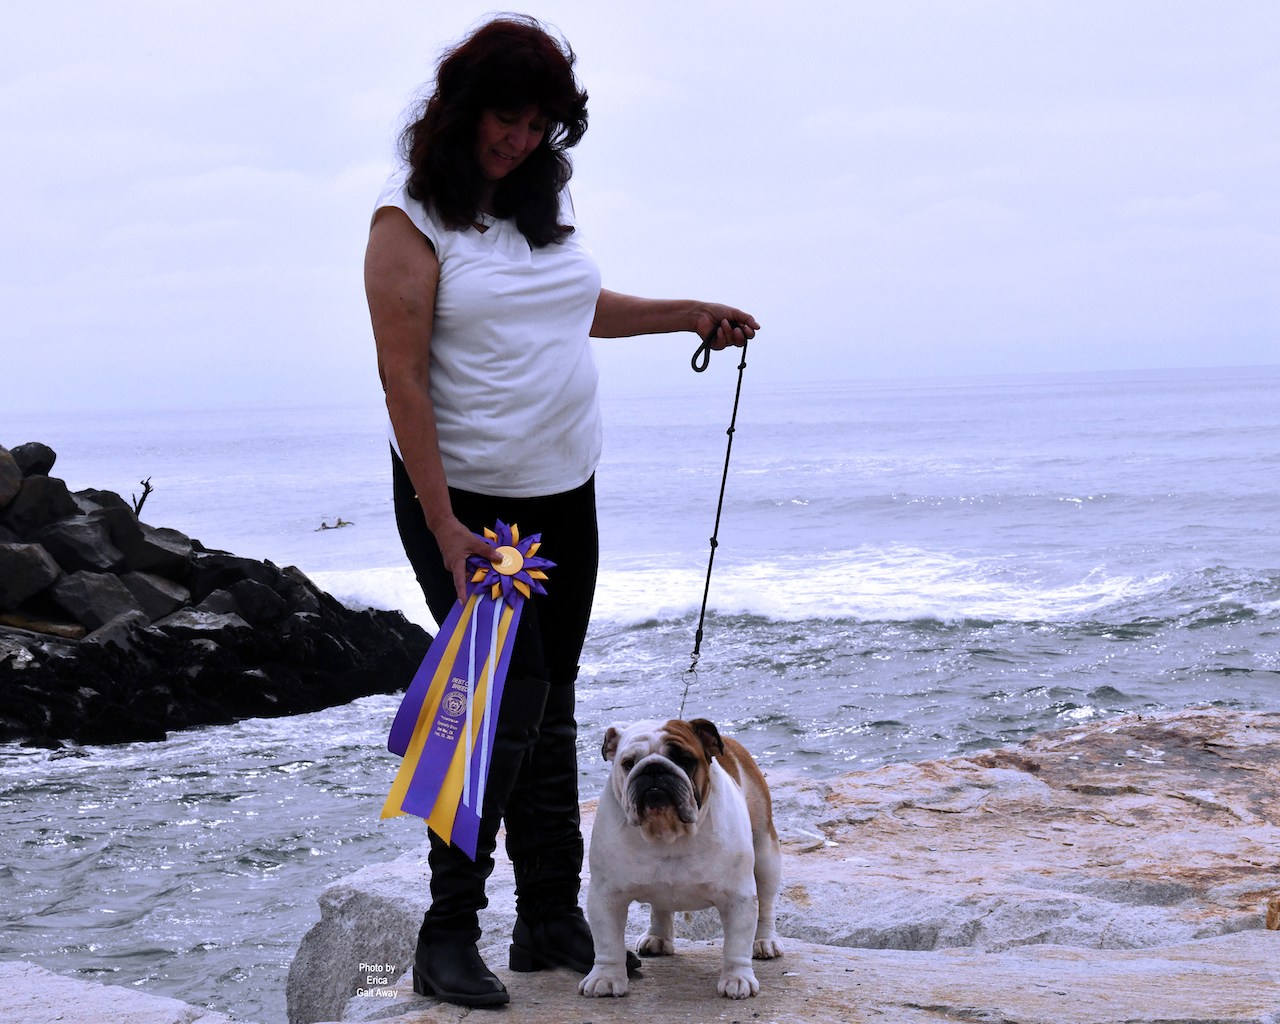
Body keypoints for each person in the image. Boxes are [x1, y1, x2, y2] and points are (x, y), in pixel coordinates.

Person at [363, 15, 757, 1008]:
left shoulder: (544, 201)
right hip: (469, 506)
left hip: (564, 493)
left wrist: (685, 313)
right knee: (494, 709)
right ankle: (447, 932)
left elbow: (574, 307)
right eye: (506, 118)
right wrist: (443, 525)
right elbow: (401, 378)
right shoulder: (409, 218)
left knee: (551, 703)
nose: (520, 138)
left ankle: (548, 917)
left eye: (540, 124)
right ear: (462, 110)